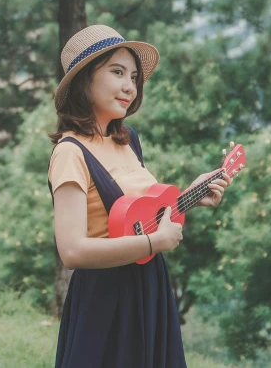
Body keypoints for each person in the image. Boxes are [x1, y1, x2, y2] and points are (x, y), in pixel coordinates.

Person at [47, 24, 231, 368]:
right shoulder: (69, 152)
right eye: (117, 72)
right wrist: (153, 244)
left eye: (133, 76)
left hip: (150, 287)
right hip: (105, 297)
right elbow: (72, 250)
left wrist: (192, 193)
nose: (129, 86)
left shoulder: (128, 139)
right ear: (85, 79)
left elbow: (139, 216)